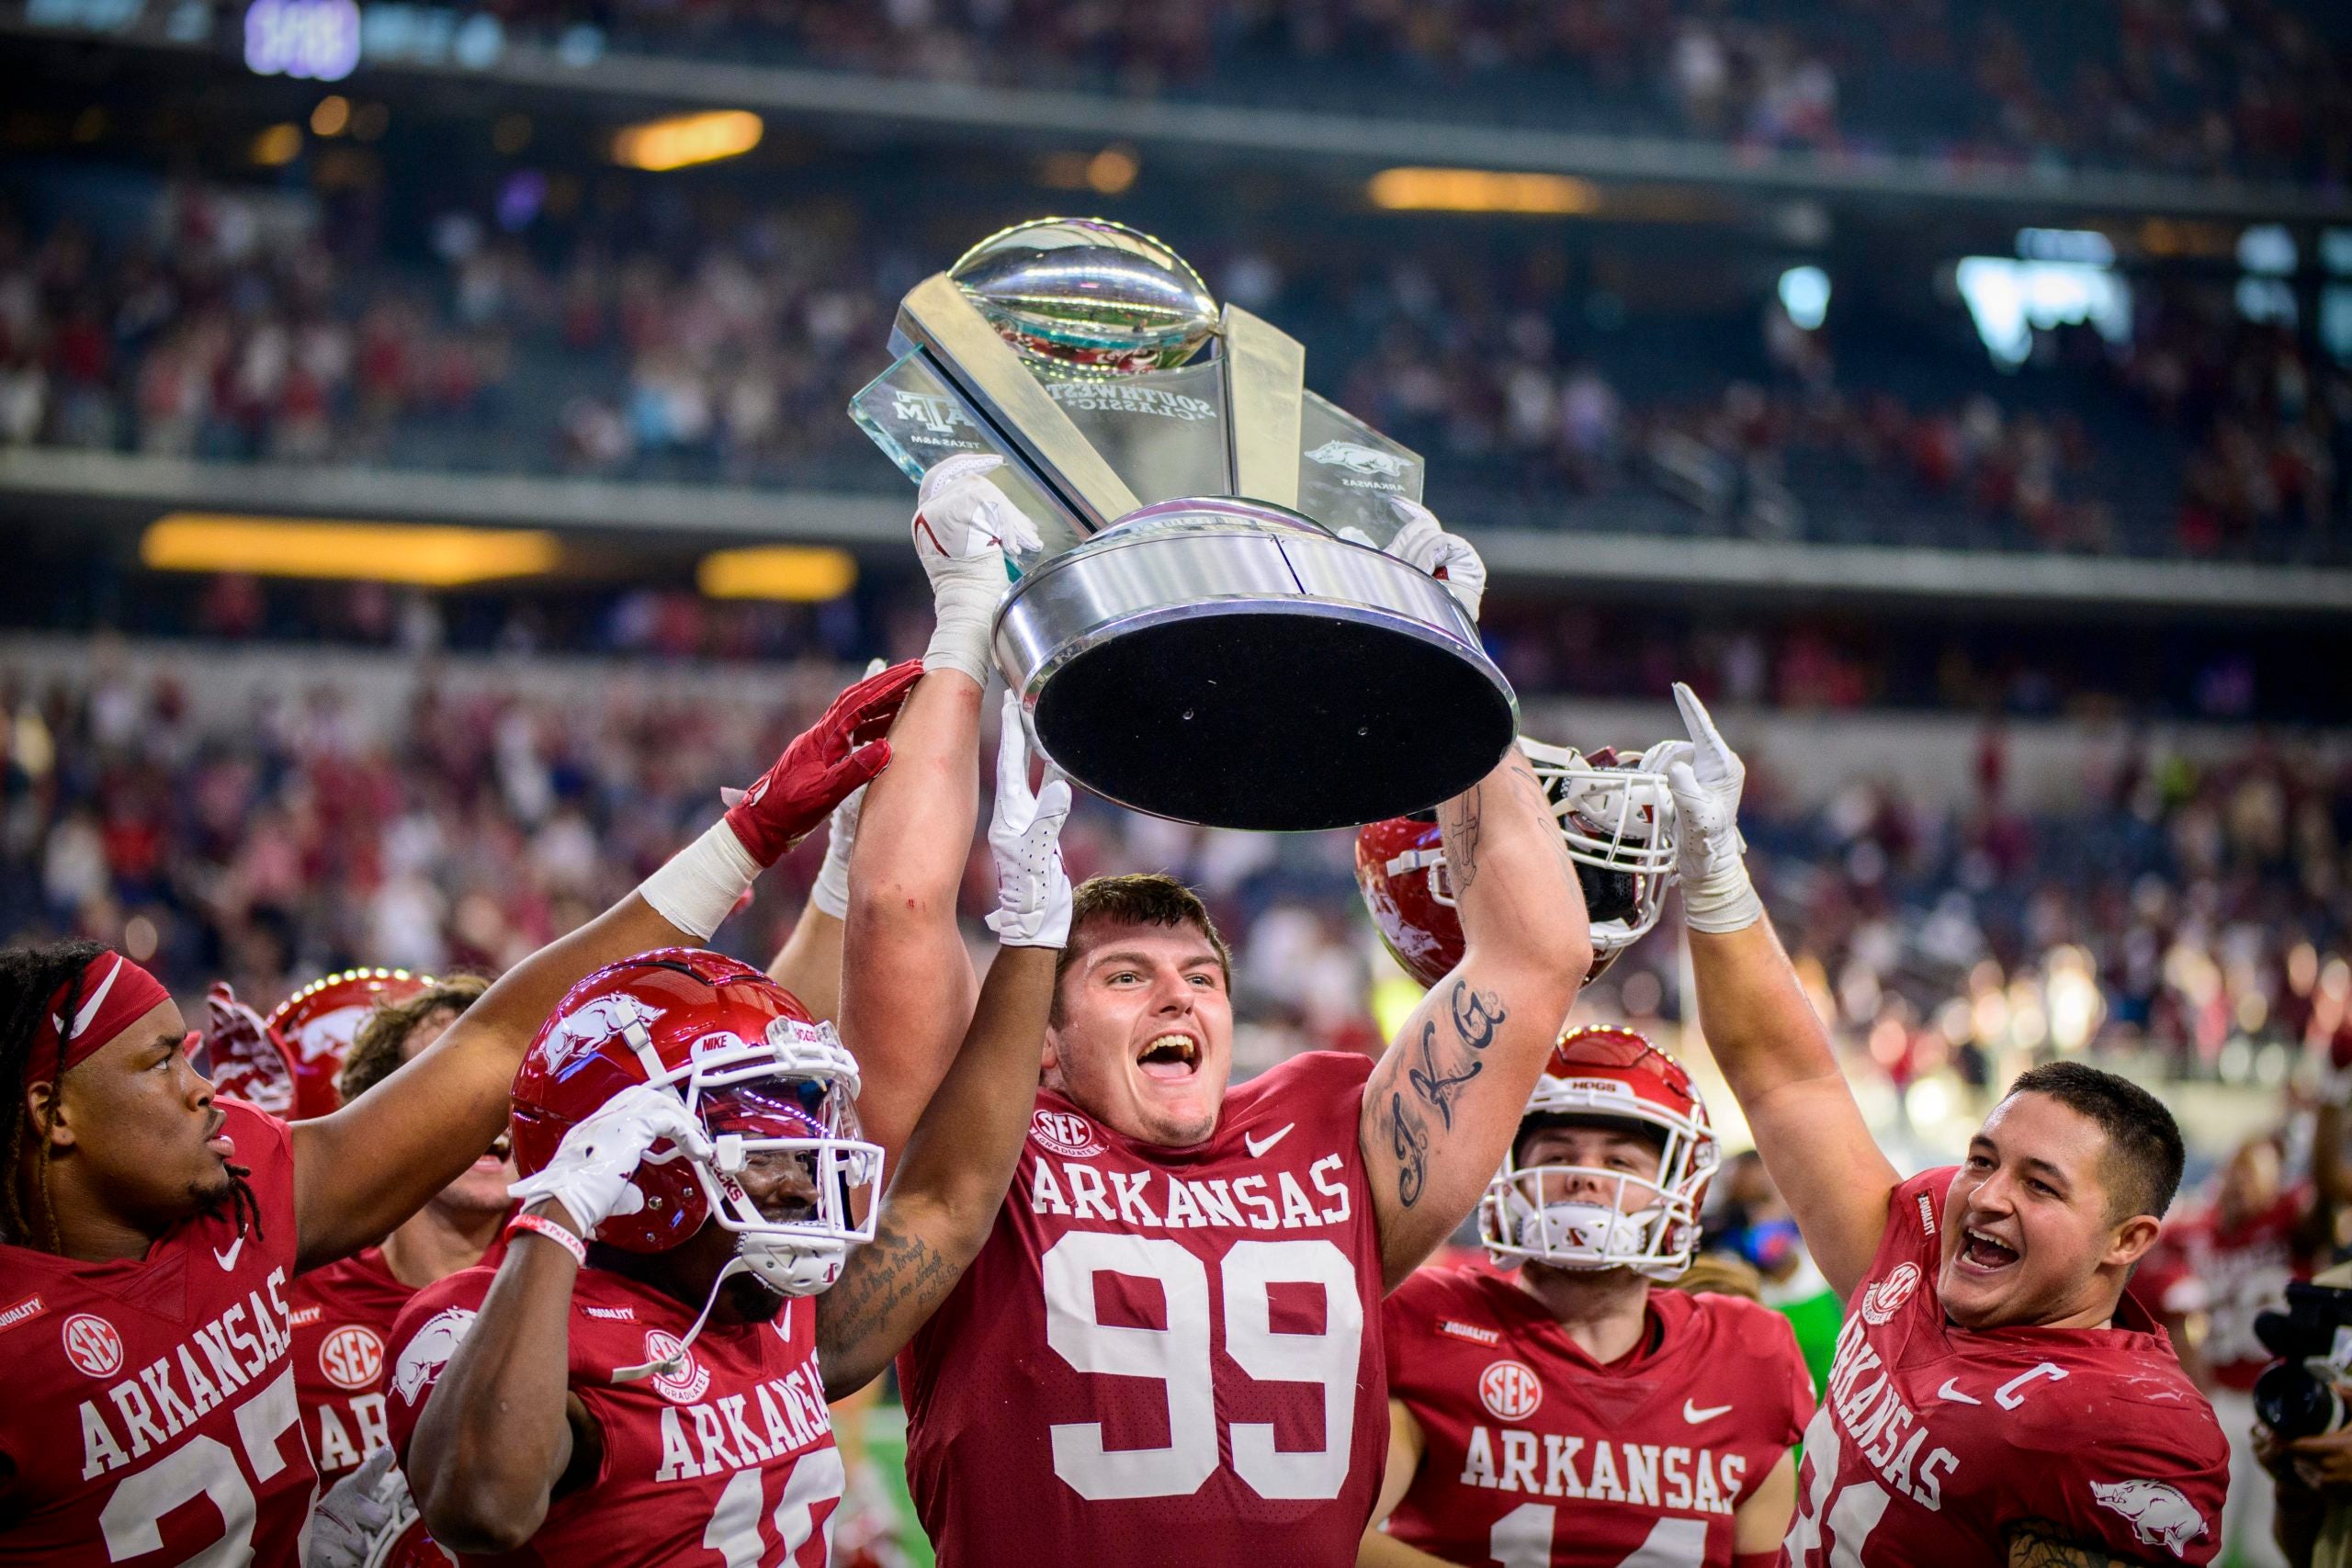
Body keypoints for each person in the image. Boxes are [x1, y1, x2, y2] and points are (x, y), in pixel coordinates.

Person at [0, 659, 914, 1565]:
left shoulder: (238, 1196)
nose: (204, 1090)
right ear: (56, 1114)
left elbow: (492, 1046)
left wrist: (748, 835)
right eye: (161, 1062)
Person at [850, 463, 1590, 1564]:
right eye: (1122, 977)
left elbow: (1538, 957)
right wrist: (965, 613)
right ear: (1041, 1043)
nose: (1176, 996)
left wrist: (1452, 666)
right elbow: (900, 908)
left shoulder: (1325, 1125)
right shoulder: (991, 1144)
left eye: (1202, 976)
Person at [385, 695, 1074, 1565]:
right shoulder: (473, 1323)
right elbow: (484, 1503)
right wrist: (559, 1212)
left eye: (801, 1132)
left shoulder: (763, 1314)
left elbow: (947, 1198)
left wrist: (1031, 937)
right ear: (634, 1151)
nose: (802, 1172)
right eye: (762, 1142)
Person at [1656, 681, 2229, 1565]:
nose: (1988, 1196)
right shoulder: (1924, 1243)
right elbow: (1788, 1084)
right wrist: (1716, 867)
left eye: (2040, 1183)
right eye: (1984, 1158)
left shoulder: (2126, 1426)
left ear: (2128, 1238)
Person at [1363, 1025, 1812, 1567]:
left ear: (1682, 1189)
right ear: (1509, 1174)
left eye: (1620, 1163)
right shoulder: (1432, 1318)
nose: (1585, 1179)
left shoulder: (1750, 1353)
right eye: (1556, 1157)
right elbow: (1332, 1536)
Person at [278, 975, 505, 1486]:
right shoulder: (283, 1307)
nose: (488, 1113)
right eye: (451, 1087)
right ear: (384, 1118)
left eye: (507, 1086)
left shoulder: (587, 1279)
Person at [2144, 1121, 2345, 1568]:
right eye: (2234, 1171)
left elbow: (2328, 1194)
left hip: (2281, 1398)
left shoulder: (2291, 1226)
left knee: (2267, 1546)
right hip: (2218, 1399)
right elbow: (2170, 1313)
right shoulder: (2193, 1233)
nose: (2239, 1184)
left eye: (2252, 1173)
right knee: (2199, 1537)